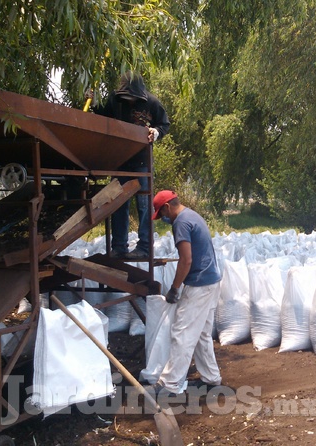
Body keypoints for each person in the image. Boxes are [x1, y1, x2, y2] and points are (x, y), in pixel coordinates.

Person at [150, 190, 223, 395]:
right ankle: (211, 379)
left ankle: (169, 384)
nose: (163, 218)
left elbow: (186, 260)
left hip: (199, 285)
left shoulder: (180, 222)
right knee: (201, 334)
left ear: (166, 207)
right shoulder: (192, 215)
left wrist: (174, 288)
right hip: (211, 280)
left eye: (161, 214)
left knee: (182, 332)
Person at [93, 72, 170, 259]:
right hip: (119, 160)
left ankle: (144, 248)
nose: (128, 101)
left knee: (144, 204)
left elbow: (164, 124)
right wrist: (95, 102)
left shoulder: (152, 102)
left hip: (142, 161)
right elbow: (104, 116)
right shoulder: (115, 100)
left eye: (131, 98)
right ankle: (119, 246)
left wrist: (156, 132)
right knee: (118, 204)